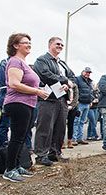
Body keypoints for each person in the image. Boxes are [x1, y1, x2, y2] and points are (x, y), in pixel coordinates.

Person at [2, 34, 49, 182]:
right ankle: (9, 169)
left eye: (30, 42)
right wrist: (37, 91)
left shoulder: (24, 63)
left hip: (28, 103)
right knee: (16, 137)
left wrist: (39, 90)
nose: (29, 45)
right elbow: (14, 83)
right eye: (25, 43)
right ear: (16, 45)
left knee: (22, 137)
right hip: (18, 103)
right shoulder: (15, 62)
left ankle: (16, 165)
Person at [32, 37, 76, 166]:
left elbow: (72, 77)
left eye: (62, 45)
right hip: (48, 98)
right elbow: (45, 74)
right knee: (45, 127)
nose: (60, 46)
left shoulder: (62, 63)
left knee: (60, 127)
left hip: (62, 98)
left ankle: (55, 152)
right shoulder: (42, 60)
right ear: (50, 44)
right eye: (57, 44)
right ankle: (41, 155)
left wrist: (68, 85)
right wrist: (64, 80)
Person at [72, 67, 94, 145]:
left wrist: (91, 100)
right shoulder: (77, 79)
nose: (87, 74)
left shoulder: (89, 81)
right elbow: (75, 90)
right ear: (83, 71)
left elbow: (91, 91)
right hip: (80, 103)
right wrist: (75, 101)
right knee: (76, 121)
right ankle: (73, 139)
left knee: (82, 121)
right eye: (86, 72)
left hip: (87, 103)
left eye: (89, 73)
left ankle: (79, 138)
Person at [65, 82, 79, 149]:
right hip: (64, 106)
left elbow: (76, 97)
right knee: (61, 125)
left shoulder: (75, 86)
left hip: (73, 108)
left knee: (71, 124)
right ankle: (60, 142)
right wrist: (66, 106)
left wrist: (72, 106)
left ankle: (69, 141)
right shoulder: (63, 85)